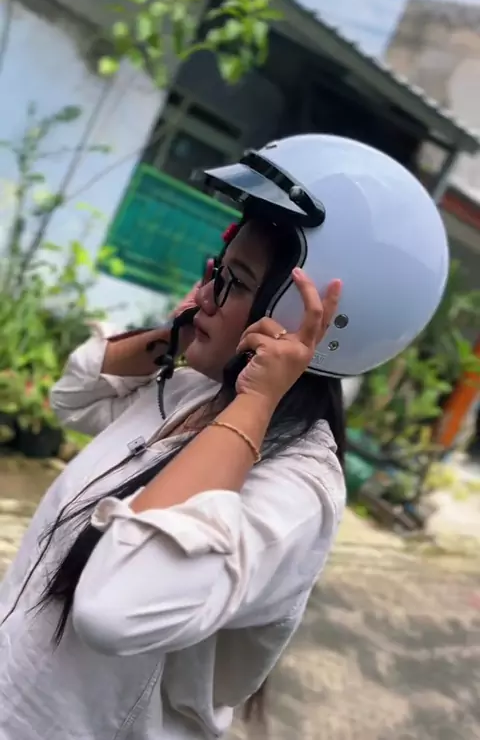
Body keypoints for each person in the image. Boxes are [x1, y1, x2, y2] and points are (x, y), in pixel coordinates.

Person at [0, 134, 449, 740]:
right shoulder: (194, 394)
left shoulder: (297, 490)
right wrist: (186, 331)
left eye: (234, 281)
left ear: (297, 320)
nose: (207, 293)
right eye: (217, 270)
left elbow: (114, 607)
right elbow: (74, 394)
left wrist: (257, 399)